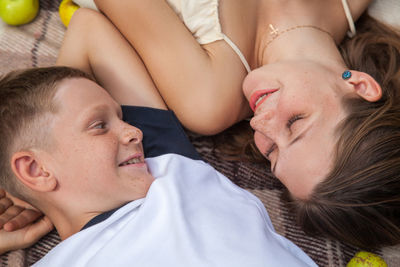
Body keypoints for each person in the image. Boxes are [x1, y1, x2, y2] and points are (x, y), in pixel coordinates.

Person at [0, 12, 316, 265]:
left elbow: (87, 26)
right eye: (99, 125)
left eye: (121, 117)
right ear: (35, 170)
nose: (134, 130)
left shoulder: (167, 171)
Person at [86, 0, 400, 249]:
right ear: (359, 85)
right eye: (295, 122)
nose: (262, 124)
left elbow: (90, 27)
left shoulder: (208, 98)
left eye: (273, 151)